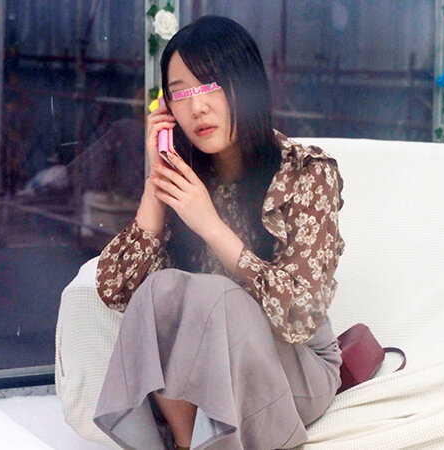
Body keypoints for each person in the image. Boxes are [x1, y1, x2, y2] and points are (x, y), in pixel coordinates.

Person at [93, 16, 345, 450]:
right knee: (159, 289)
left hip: (293, 373)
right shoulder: (187, 178)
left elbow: (301, 315)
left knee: (216, 296)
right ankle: (186, 443)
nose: (197, 107)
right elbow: (117, 291)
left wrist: (208, 224)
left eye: (210, 86)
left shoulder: (306, 172)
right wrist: (158, 178)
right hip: (199, 383)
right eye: (181, 93)